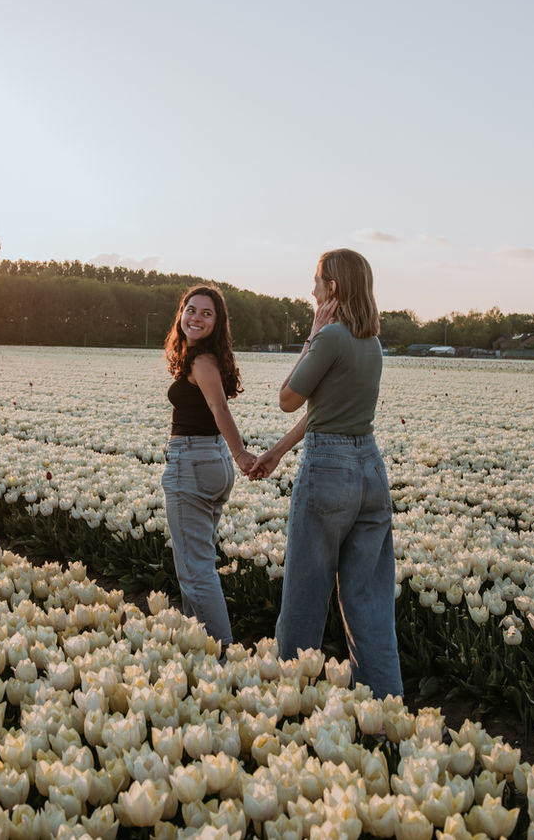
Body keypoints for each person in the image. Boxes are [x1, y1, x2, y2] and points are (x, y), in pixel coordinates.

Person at [248, 249, 403, 697]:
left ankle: (293, 702)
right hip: (370, 470)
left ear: (332, 288)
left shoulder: (330, 337)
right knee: (369, 602)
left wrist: (310, 337)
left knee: (305, 596)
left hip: (328, 471)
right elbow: (324, 412)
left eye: (316, 280)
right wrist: (278, 451)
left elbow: (288, 399)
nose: (311, 288)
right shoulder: (371, 344)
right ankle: (385, 713)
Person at [162, 285, 256, 650]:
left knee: (196, 571)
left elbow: (220, 410)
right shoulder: (201, 357)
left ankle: (220, 655)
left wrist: (242, 455)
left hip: (194, 463)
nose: (196, 317)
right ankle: (196, 647)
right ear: (181, 314)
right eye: (191, 309)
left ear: (218, 323)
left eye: (206, 313)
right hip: (208, 463)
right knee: (196, 565)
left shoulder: (201, 360)